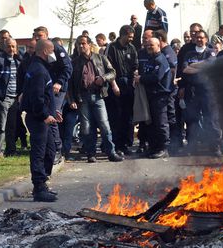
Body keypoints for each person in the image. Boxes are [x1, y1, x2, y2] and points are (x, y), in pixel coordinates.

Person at [69, 35, 121, 163]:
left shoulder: (101, 58)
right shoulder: (74, 62)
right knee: (87, 128)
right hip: (83, 98)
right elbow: (69, 84)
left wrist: (103, 78)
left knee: (104, 125)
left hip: (98, 96)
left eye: (83, 43)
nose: (81, 46)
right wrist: (71, 100)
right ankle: (90, 154)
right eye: (78, 44)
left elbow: (113, 72)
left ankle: (111, 152)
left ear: (89, 44)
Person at [20, 38, 61, 202]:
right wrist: (45, 115)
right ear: (45, 51)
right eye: (52, 50)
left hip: (44, 117)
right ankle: (39, 188)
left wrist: (53, 112)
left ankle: (43, 184)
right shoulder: (38, 70)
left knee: (50, 151)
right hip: (38, 119)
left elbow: (45, 95)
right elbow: (36, 98)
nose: (54, 54)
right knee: (39, 153)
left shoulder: (41, 67)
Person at [34, 26, 73, 165]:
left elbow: (68, 68)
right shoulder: (36, 51)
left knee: (52, 116)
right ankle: (48, 148)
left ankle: (57, 149)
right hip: (45, 88)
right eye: (35, 35)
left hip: (57, 89)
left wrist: (59, 83)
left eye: (40, 35)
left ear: (47, 34)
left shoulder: (55, 48)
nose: (37, 37)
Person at [179, 30, 222, 156]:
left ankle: (215, 146)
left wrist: (194, 65)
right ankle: (192, 147)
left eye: (202, 38)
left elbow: (210, 64)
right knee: (192, 120)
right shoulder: (189, 53)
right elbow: (185, 69)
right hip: (192, 91)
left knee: (212, 120)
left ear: (206, 39)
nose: (199, 39)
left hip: (208, 92)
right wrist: (201, 66)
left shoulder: (211, 52)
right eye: (197, 37)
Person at [134, 37, 172, 159]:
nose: (149, 47)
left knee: (161, 123)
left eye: (152, 45)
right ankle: (153, 147)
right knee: (151, 123)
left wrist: (141, 78)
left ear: (158, 46)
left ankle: (163, 148)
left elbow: (156, 77)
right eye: (147, 45)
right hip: (149, 96)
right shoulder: (150, 59)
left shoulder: (160, 60)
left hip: (160, 96)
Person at [105, 25, 138, 156]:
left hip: (129, 85)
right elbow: (108, 68)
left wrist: (136, 74)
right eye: (129, 37)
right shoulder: (112, 47)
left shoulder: (132, 48)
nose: (131, 39)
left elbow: (135, 64)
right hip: (117, 84)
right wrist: (114, 85)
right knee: (116, 116)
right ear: (123, 35)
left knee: (128, 116)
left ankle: (126, 144)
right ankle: (117, 145)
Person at [153, 29, 179, 152]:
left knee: (170, 118)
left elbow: (173, 69)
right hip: (166, 90)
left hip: (168, 91)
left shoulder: (168, 52)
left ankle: (173, 144)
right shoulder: (163, 52)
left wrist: (171, 82)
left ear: (160, 39)